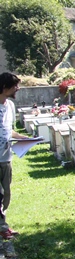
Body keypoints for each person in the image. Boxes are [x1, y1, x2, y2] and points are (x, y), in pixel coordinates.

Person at [0, 73, 32, 240]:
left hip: (6, 157)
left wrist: (24, 139)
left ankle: (2, 224)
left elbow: (8, 130)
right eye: (15, 86)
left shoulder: (10, 106)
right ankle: (2, 227)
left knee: (6, 194)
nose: (17, 89)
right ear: (4, 88)